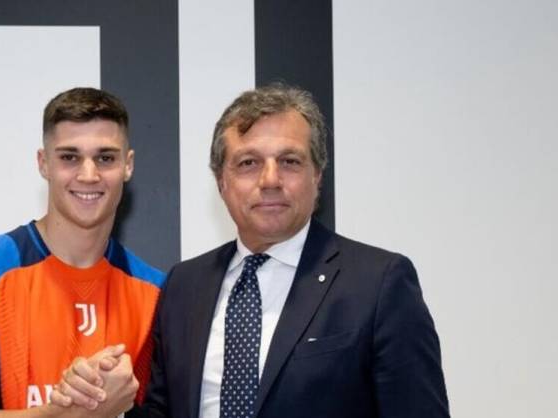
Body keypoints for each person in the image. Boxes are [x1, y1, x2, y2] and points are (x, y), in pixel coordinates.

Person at [56, 83, 450, 417]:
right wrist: (104, 402)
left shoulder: (378, 283)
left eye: (290, 161)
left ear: (317, 175)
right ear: (221, 181)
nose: (270, 180)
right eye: (248, 163)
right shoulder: (184, 286)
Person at [0, 87, 165, 418]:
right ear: (43, 163)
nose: (88, 175)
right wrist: (70, 414)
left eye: (105, 158)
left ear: (128, 165)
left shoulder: (156, 292)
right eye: (69, 157)